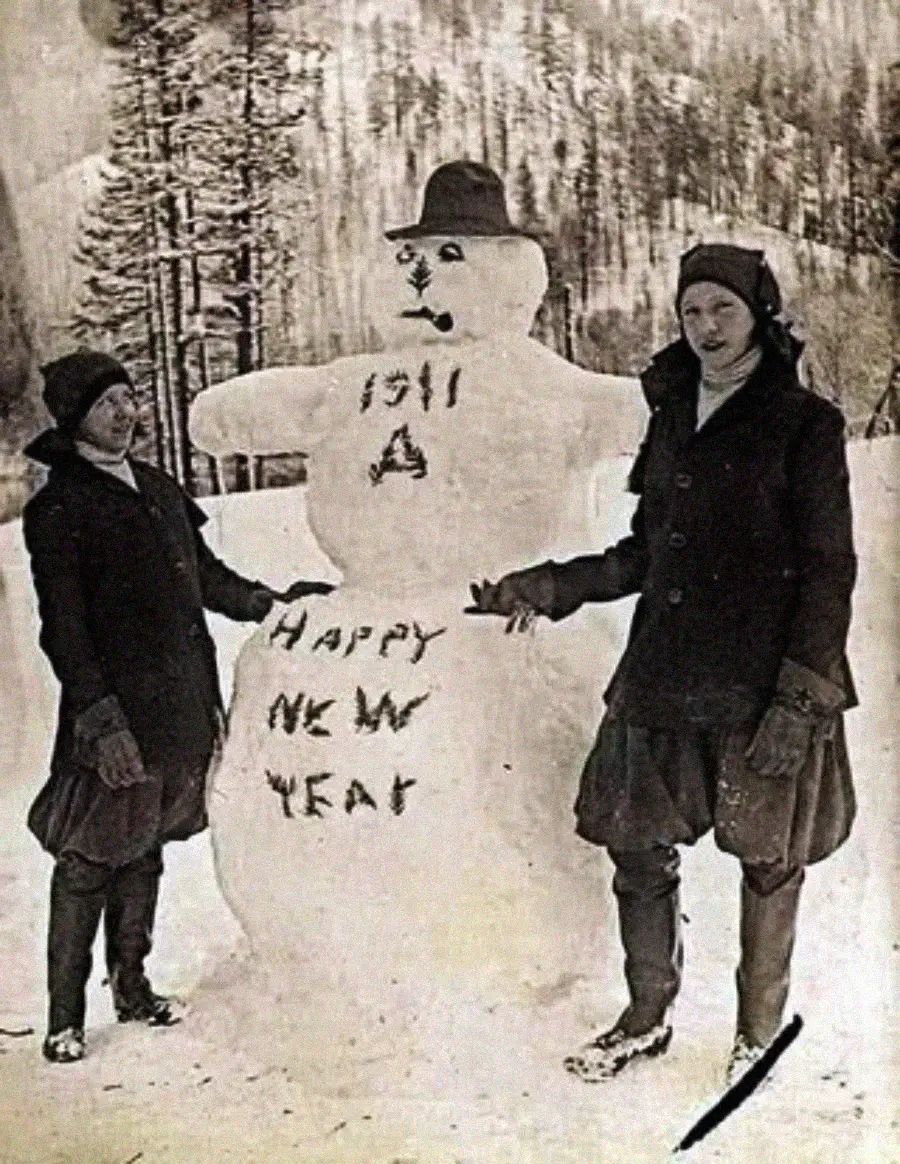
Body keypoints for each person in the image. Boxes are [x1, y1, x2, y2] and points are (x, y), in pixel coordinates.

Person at [469, 244, 857, 1084]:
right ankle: (646, 1015)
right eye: (691, 312)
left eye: (723, 308)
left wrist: (801, 699)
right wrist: (551, 583)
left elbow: (831, 572)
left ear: (759, 312)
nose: (707, 327)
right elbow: (646, 553)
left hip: (761, 685)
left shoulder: (804, 424)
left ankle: (758, 1031)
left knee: (768, 855)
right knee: (636, 845)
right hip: (665, 674)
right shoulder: (673, 414)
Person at [22, 350, 333, 1064]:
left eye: (131, 398)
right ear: (75, 422)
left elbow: (207, 578)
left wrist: (268, 603)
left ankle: (132, 986)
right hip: (116, 720)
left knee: (145, 848)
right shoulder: (59, 509)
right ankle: (64, 1017)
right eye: (109, 404)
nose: (128, 413)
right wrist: (100, 724)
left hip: (181, 706)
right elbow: (63, 631)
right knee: (87, 860)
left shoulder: (159, 490)